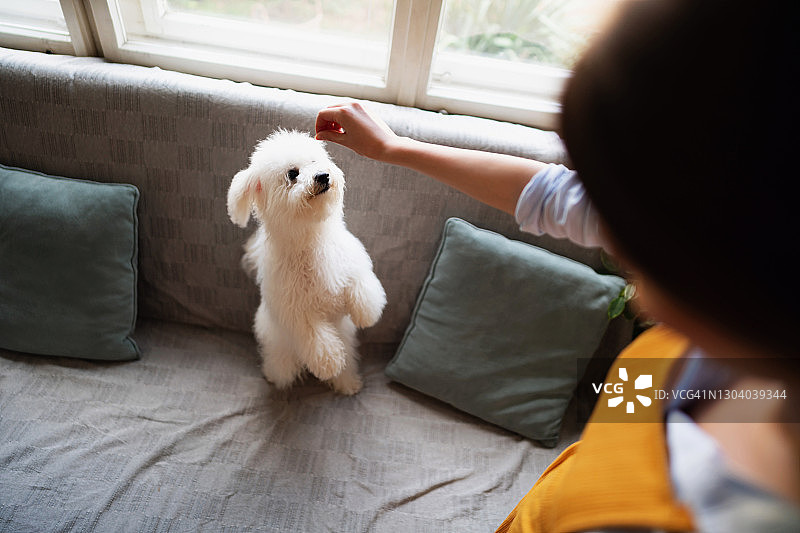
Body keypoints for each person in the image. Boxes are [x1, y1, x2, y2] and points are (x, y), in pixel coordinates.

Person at [314, 0, 800, 531]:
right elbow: (555, 197)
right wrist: (396, 149)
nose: (636, 290)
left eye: (637, 234)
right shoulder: (726, 319)